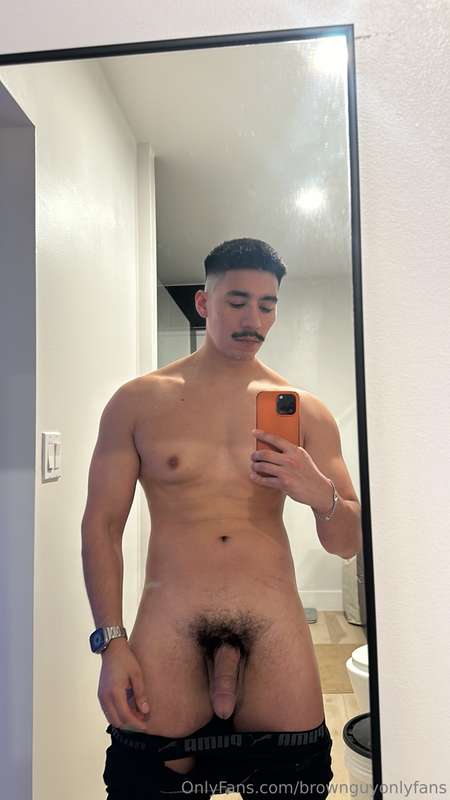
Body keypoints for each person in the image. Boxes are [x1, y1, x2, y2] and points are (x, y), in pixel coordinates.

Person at [81, 237, 362, 799]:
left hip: (272, 627)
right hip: (170, 628)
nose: (253, 319)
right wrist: (111, 643)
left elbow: (347, 542)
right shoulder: (137, 402)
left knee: (297, 786)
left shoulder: (305, 410)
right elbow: (101, 526)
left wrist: (318, 492)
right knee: (142, 787)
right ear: (204, 302)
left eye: (267, 305)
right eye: (237, 301)